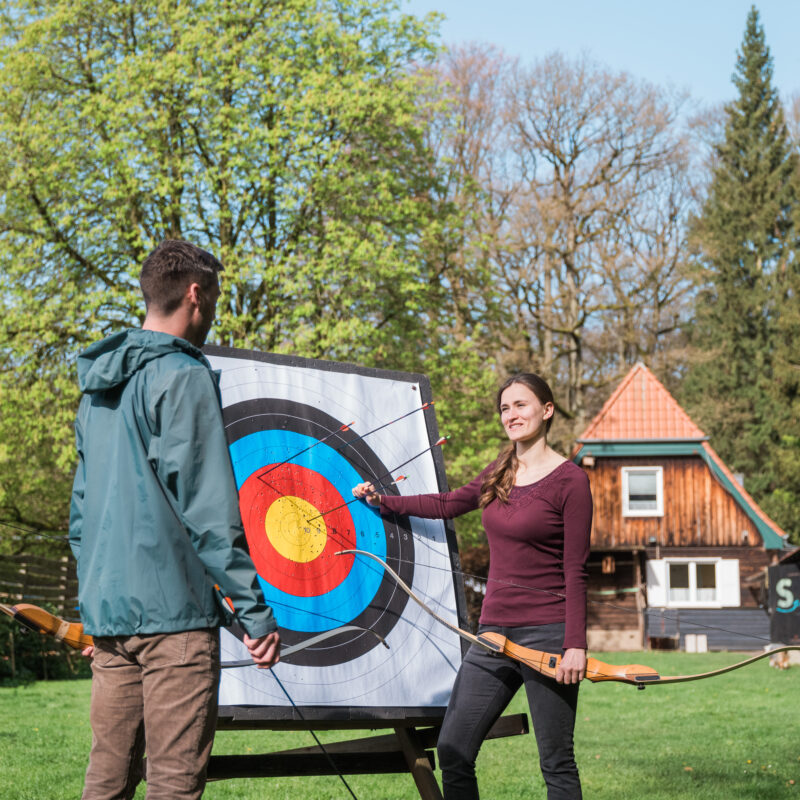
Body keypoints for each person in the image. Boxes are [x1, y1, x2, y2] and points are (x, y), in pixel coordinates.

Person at [69, 239, 280, 800]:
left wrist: (94, 602)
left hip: (112, 619)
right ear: (195, 293)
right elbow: (207, 507)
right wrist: (254, 612)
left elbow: (81, 514)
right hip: (174, 626)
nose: (212, 310)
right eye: (213, 295)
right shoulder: (183, 375)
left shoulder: (97, 390)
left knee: (105, 784)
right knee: (173, 787)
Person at [353, 373, 592, 800]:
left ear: (547, 410)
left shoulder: (570, 481)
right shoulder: (499, 472)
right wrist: (384, 501)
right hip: (494, 634)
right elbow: (448, 504)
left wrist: (575, 643)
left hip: (549, 636)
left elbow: (576, 569)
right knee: (453, 748)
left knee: (556, 761)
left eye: (521, 405)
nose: (511, 415)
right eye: (505, 408)